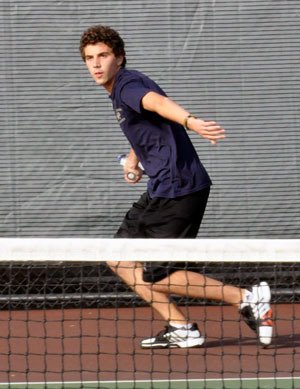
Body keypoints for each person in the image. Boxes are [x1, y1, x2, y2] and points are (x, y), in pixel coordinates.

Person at [79, 25, 273, 348]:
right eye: (89, 58)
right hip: (161, 187)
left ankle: (248, 298)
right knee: (117, 258)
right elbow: (146, 126)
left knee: (160, 274)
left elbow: (156, 104)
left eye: (103, 56)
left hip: (179, 188)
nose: (96, 64)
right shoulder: (121, 90)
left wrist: (191, 121)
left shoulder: (128, 85)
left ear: (119, 58)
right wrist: (134, 160)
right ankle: (181, 328)